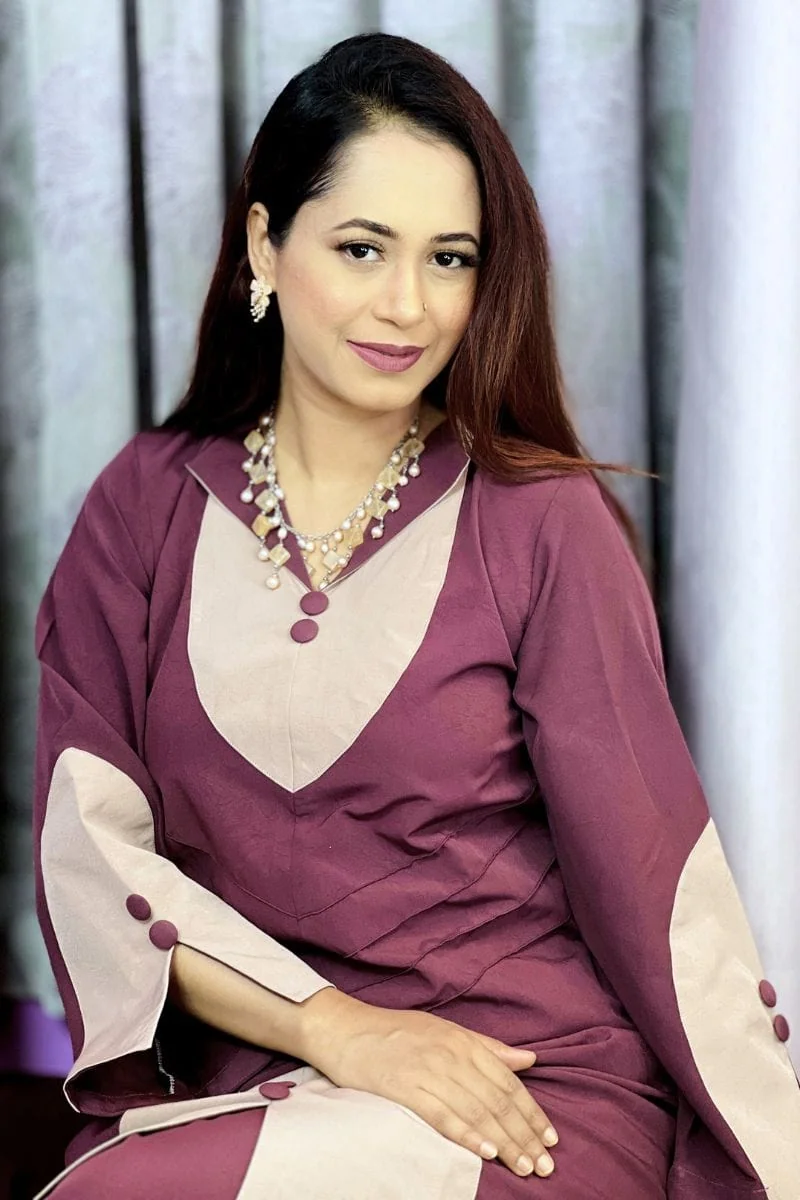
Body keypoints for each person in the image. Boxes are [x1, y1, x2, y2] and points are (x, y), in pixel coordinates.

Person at [31, 30, 799, 1200]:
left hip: (522, 1090)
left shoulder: (541, 521)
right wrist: (337, 1028)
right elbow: (91, 861)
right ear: (264, 243)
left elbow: (655, 879)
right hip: (272, 1079)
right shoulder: (142, 508)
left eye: (448, 259)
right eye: (361, 247)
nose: (407, 306)